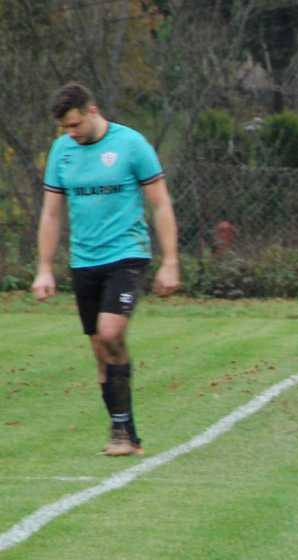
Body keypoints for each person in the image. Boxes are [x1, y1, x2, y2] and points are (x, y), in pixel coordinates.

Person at [31, 82, 180, 457]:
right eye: (65, 128)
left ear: (93, 111)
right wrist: (44, 268)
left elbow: (161, 205)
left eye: (76, 125)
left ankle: (122, 431)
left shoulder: (131, 145)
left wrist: (170, 262)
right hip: (85, 261)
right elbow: (51, 212)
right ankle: (123, 432)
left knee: (110, 331)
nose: (71, 133)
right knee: (100, 350)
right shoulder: (62, 151)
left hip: (127, 255)